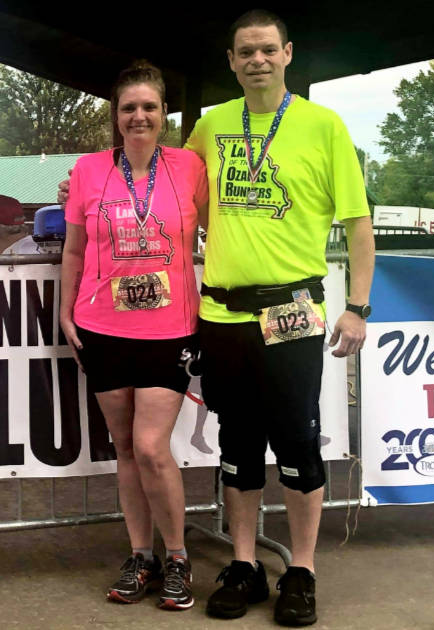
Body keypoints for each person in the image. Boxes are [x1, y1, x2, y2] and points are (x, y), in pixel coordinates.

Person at [184, 9, 375, 627]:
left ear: (288, 53)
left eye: (268, 49)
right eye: (246, 51)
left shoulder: (323, 126)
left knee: (296, 442)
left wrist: (357, 306)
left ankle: (302, 569)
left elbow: (358, 223)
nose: (257, 60)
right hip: (223, 313)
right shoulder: (211, 125)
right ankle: (244, 564)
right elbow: (176, 191)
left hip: (291, 312)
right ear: (231, 61)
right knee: (237, 444)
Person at [60, 60, 208, 611]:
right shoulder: (88, 169)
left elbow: (225, 230)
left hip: (170, 330)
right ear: (116, 115)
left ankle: (178, 557)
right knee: (124, 447)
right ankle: (141, 555)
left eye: (149, 106)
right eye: (129, 108)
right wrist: (66, 313)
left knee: (150, 446)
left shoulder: (190, 167)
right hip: (102, 326)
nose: (139, 116)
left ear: (164, 113)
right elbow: (74, 249)